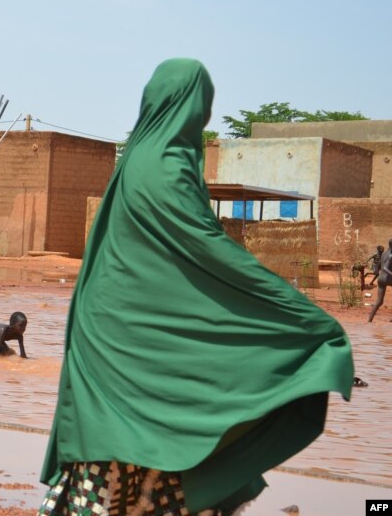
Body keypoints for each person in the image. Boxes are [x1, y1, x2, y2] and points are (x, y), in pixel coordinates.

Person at [38, 59, 353, 516]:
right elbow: (204, 249)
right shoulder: (168, 162)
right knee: (156, 446)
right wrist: (297, 313)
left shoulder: (136, 160)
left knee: (115, 452)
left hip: (109, 333)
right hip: (135, 344)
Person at [366, 239, 392, 323]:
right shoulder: (391, 255)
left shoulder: (384, 254)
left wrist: (377, 272)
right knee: (379, 301)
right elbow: (385, 268)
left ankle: (369, 320)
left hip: (380, 279)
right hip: (387, 279)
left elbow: (378, 267)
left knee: (379, 301)